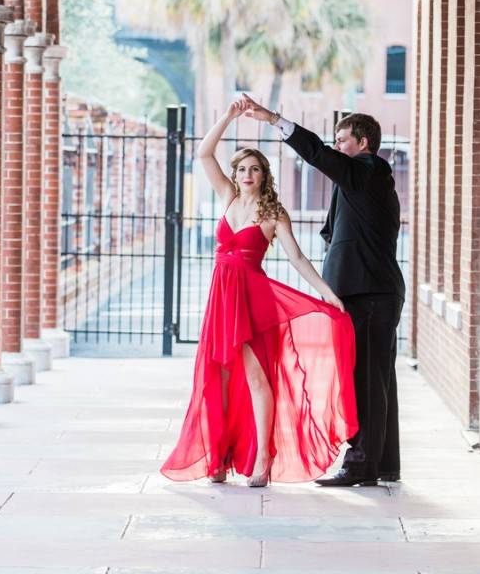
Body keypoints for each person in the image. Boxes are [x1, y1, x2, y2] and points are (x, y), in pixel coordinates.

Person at [160, 99, 358, 487]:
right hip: (221, 298)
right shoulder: (227, 199)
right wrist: (230, 116)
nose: (247, 174)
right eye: (241, 169)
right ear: (235, 175)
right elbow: (203, 152)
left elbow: (298, 258)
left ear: (264, 175)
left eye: (254, 169)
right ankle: (218, 457)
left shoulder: (273, 214)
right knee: (215, 377)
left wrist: (328, 294)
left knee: (254, 377)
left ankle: (263, 459)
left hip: (251, 300)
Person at [242, 94, 405, 487]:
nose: (335, 148)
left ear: (362, 144)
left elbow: (317, 154)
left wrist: (274, 120)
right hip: (369, 290)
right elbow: (335, 229)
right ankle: (384, 463)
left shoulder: (367, 169)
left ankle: (361, 465)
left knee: (365, 380)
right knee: (379, 379)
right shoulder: (361, 181)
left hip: (369, 294)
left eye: (342, 140)